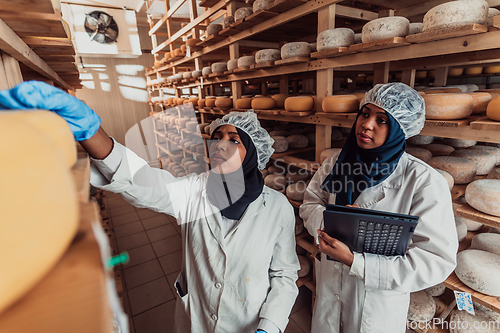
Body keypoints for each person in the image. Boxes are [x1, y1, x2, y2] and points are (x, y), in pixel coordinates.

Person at [0, 81, 299, 333]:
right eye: (217, 137)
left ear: (253, 156)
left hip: (247, 324)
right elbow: (144, 181)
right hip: (196, 320)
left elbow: (284, 275)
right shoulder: (197, 190)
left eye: (234, 140)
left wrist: (269, 326)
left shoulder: (277, 208)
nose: (220, 145)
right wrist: (91, 131)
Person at [299, 83, 458, 333]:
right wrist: (332, 225)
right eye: (365, 113)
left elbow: (435, 260)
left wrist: (356, 261)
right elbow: (311, 203)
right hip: (330, 288)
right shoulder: (336, 163)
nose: (367, 124)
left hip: (375, 302)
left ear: (400, 128)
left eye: (382, 119)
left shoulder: (422, 181)